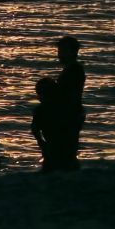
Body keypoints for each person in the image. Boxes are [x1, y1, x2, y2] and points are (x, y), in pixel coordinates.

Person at [52, 35, 85, 169]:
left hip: (70, 114)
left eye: (61, 51)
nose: (59, 55)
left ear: (71, 52)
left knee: (67, 148)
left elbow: (69, 94)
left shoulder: (74, 70)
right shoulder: (72, 69)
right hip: (71, 113)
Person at [30, 78, 62, 172]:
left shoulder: (41, 110)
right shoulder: (63, 107)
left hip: (51, 144)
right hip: (62, 143)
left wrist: (41, 142)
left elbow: (35, 128)